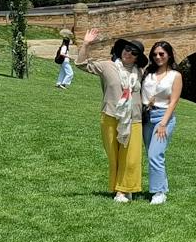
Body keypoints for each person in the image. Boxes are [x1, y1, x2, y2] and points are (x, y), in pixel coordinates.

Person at [77, 28, 144, 201]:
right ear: (121, 50)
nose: (129, 53)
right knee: (114, 155)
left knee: (130, 157)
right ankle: (118, 189)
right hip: (110, 115)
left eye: (134, 52)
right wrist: (86, 44)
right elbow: (81, 64)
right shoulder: (108, 66)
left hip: (134, 118)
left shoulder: (140, 72)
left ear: (138, 57)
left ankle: (125, 188)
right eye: (127, 49)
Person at [142, 41, 182, 205]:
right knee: (152, 154)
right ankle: (162, 188)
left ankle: (158, 192)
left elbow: (173, 102)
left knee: (155, 155)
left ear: (169, 55)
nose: (158, 57)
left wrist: (164, 123)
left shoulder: (175, 76)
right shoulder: (148, 73)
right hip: (146, 117)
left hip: (162, 117)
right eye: (155, 54)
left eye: (161, 54)